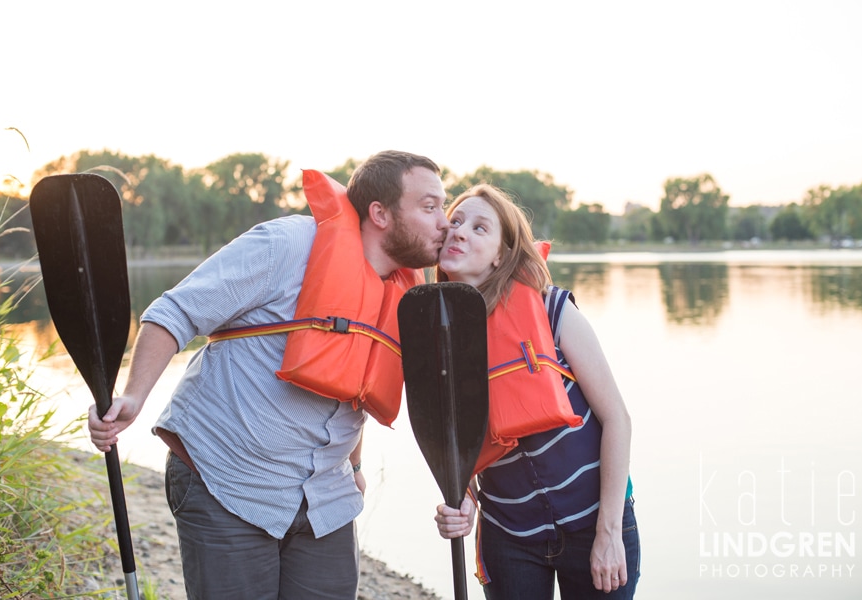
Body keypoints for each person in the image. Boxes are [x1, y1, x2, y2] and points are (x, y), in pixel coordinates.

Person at [88, 150, 450, 600]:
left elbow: (353, 379)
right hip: (226, 476)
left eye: (445, 207)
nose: (445, 222)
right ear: (380, 213)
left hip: (325, 498)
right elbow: (175, 312)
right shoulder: (289, 244)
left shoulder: (404, 291)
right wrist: (134, 397)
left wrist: (354, 464)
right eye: (430, 207)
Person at [433, 184, 640, 599]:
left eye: (479, 227)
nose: (459, 231)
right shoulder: (439, 340)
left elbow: (617, 418)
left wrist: (609, 533)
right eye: (454, 222)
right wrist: (466, 498)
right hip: (508, 537)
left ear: (501, 255)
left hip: (595, 524)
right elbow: (453, 441)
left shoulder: (552, 310)